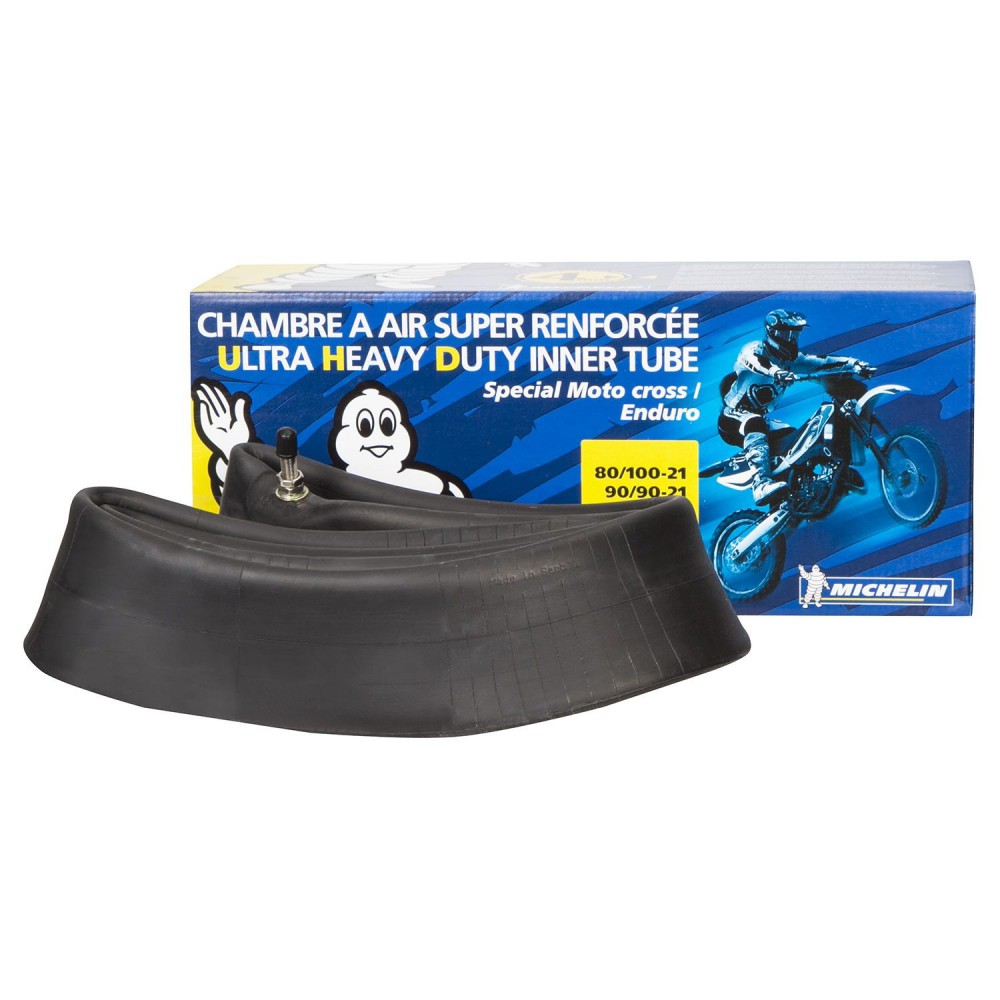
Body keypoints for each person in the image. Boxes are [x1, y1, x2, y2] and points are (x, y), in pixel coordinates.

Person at [718, 309, 869, 504]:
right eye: (786, 334)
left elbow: (821, 362)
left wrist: (854, 364)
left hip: (761, 419)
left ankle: (798, 489)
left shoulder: (790, 361)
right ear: (772, 333)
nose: (791, 340)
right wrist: (776, 372)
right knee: (755, 423)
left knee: (795, 439)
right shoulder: (754, 349)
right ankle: (760, 485)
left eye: (795, 335)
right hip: (732, 416)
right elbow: (757, 363)